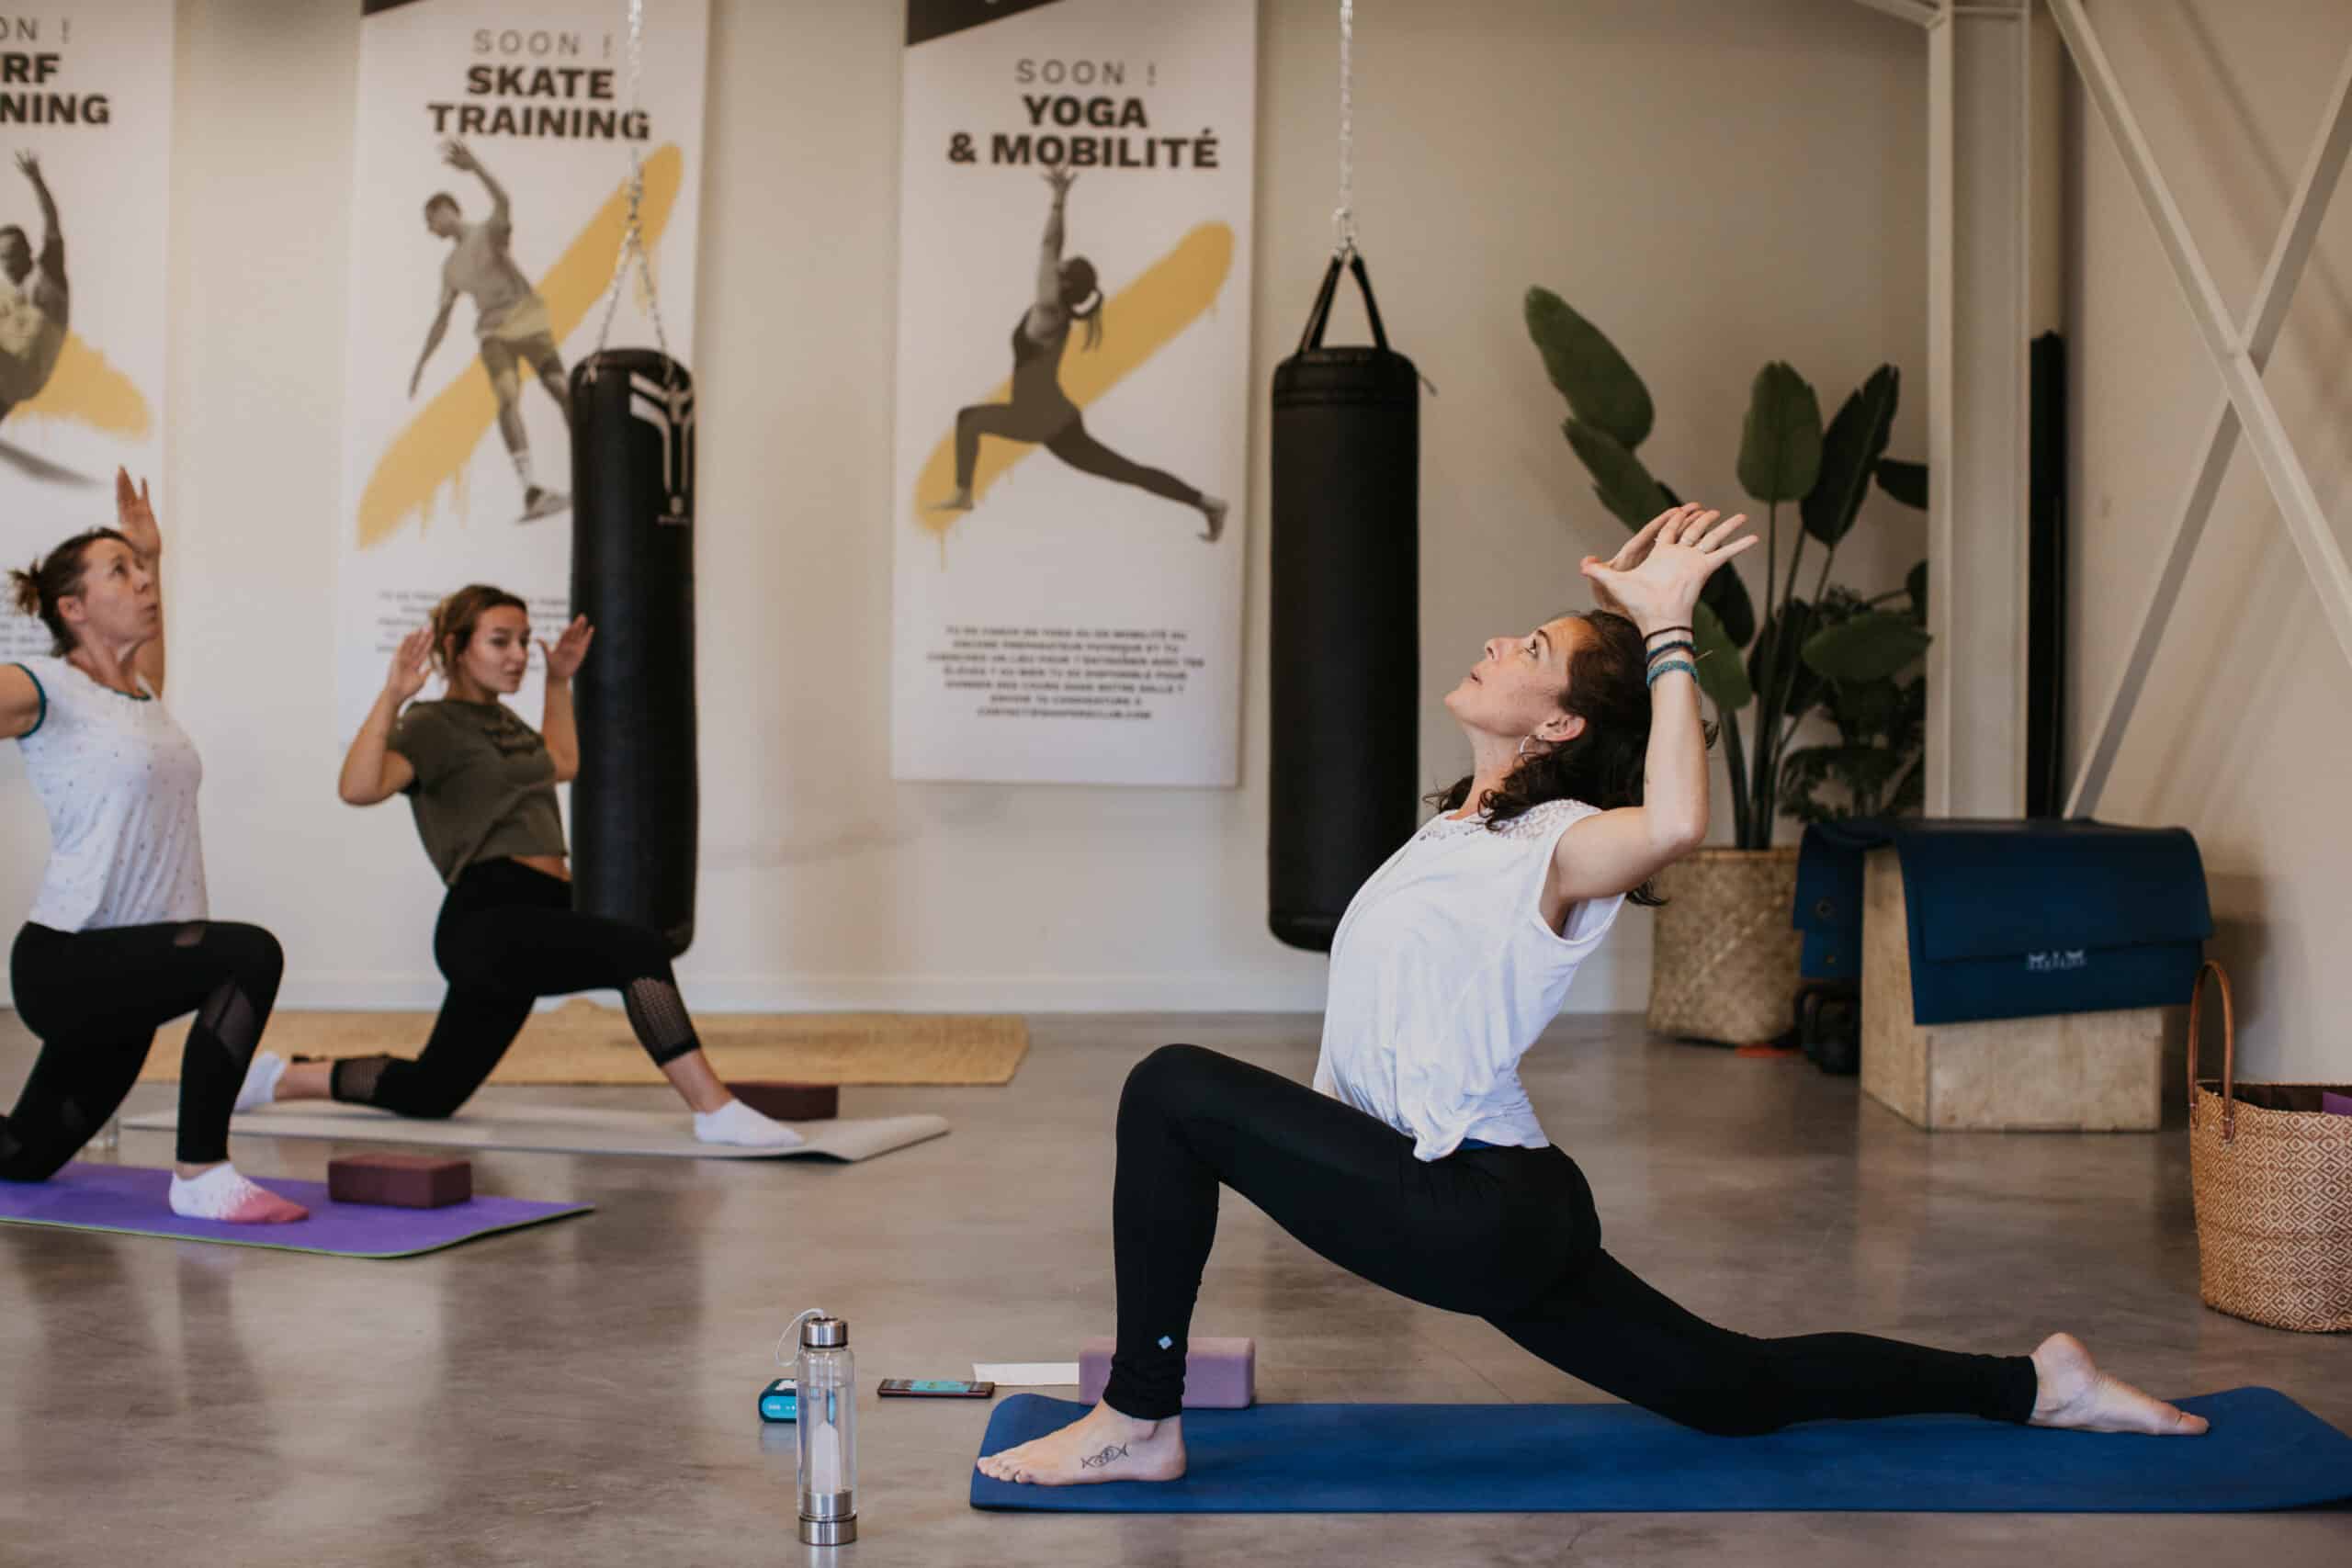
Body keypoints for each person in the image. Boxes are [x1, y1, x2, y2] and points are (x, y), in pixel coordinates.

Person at [978, 503, 2208, 1487]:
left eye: (1537, 648)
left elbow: (1677, 818)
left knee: (1171, 1089)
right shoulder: (1459, 828)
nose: (1505, 641)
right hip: (1502, 1196)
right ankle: (2033, 1381)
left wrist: (1668, 630)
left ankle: (1141, 1418)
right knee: (1734, 1390)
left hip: (1468, 1202)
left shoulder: (1556, 843)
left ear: (1559, 719)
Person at [237, 585, 797, 1147]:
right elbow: (358, 788)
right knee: (638, 949)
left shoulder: (505, 722)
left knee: (433, 1092)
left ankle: (279, 1079)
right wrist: (393, 696)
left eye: (524, 641)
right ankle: (713, 1108)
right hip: (487, 916)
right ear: (457, 648)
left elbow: (562, 762)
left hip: (541, 910)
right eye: (500, 641)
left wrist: (559, 680)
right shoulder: (432, 725)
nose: (517, 655)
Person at [1, 471, 306, 1222]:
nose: (142, 585)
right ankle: (201, 1172)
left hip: (128, 973)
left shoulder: (141, 697)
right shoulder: (39, 684)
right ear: (71, 608)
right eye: (120, 573)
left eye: (141, 574)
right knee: (247, 953)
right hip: (67, 961)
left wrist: (151, 552)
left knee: (23, 1159)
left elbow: (142, 666)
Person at [931, 164, 1227, 541]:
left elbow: (1048, 246)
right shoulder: (1058, 312)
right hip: (1053, 416)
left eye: (1062, 268)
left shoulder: (1047, 311)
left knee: (969, 420)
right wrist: (1059, 199)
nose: (1055, 265)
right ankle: (1205, 502)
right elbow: (1052, 251)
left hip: (1040, 417)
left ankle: (962, 494)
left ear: (1065, 282)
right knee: (1126, 471)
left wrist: (1058, 200)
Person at [408, 139, 571, 523]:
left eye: (430, 221)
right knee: (507, 397)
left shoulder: (489, 232)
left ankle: (592, 466)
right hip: (494, 335)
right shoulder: (449, 269)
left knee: (563, 391)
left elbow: (504, 202)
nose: (430, 231)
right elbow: (442, 320)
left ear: (444, 211)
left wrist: (475, 166)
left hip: (530, 323)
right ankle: (532, 491)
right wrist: (420, 364)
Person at [0, 151, 69, 422]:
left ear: (28, 251)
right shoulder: (9, 296)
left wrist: (37, 180)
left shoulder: (47, 275)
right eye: (2, 257)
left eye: (13, 253)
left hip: (25, 370)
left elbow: (52, 222)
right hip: (11, 383)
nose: (7, 263)